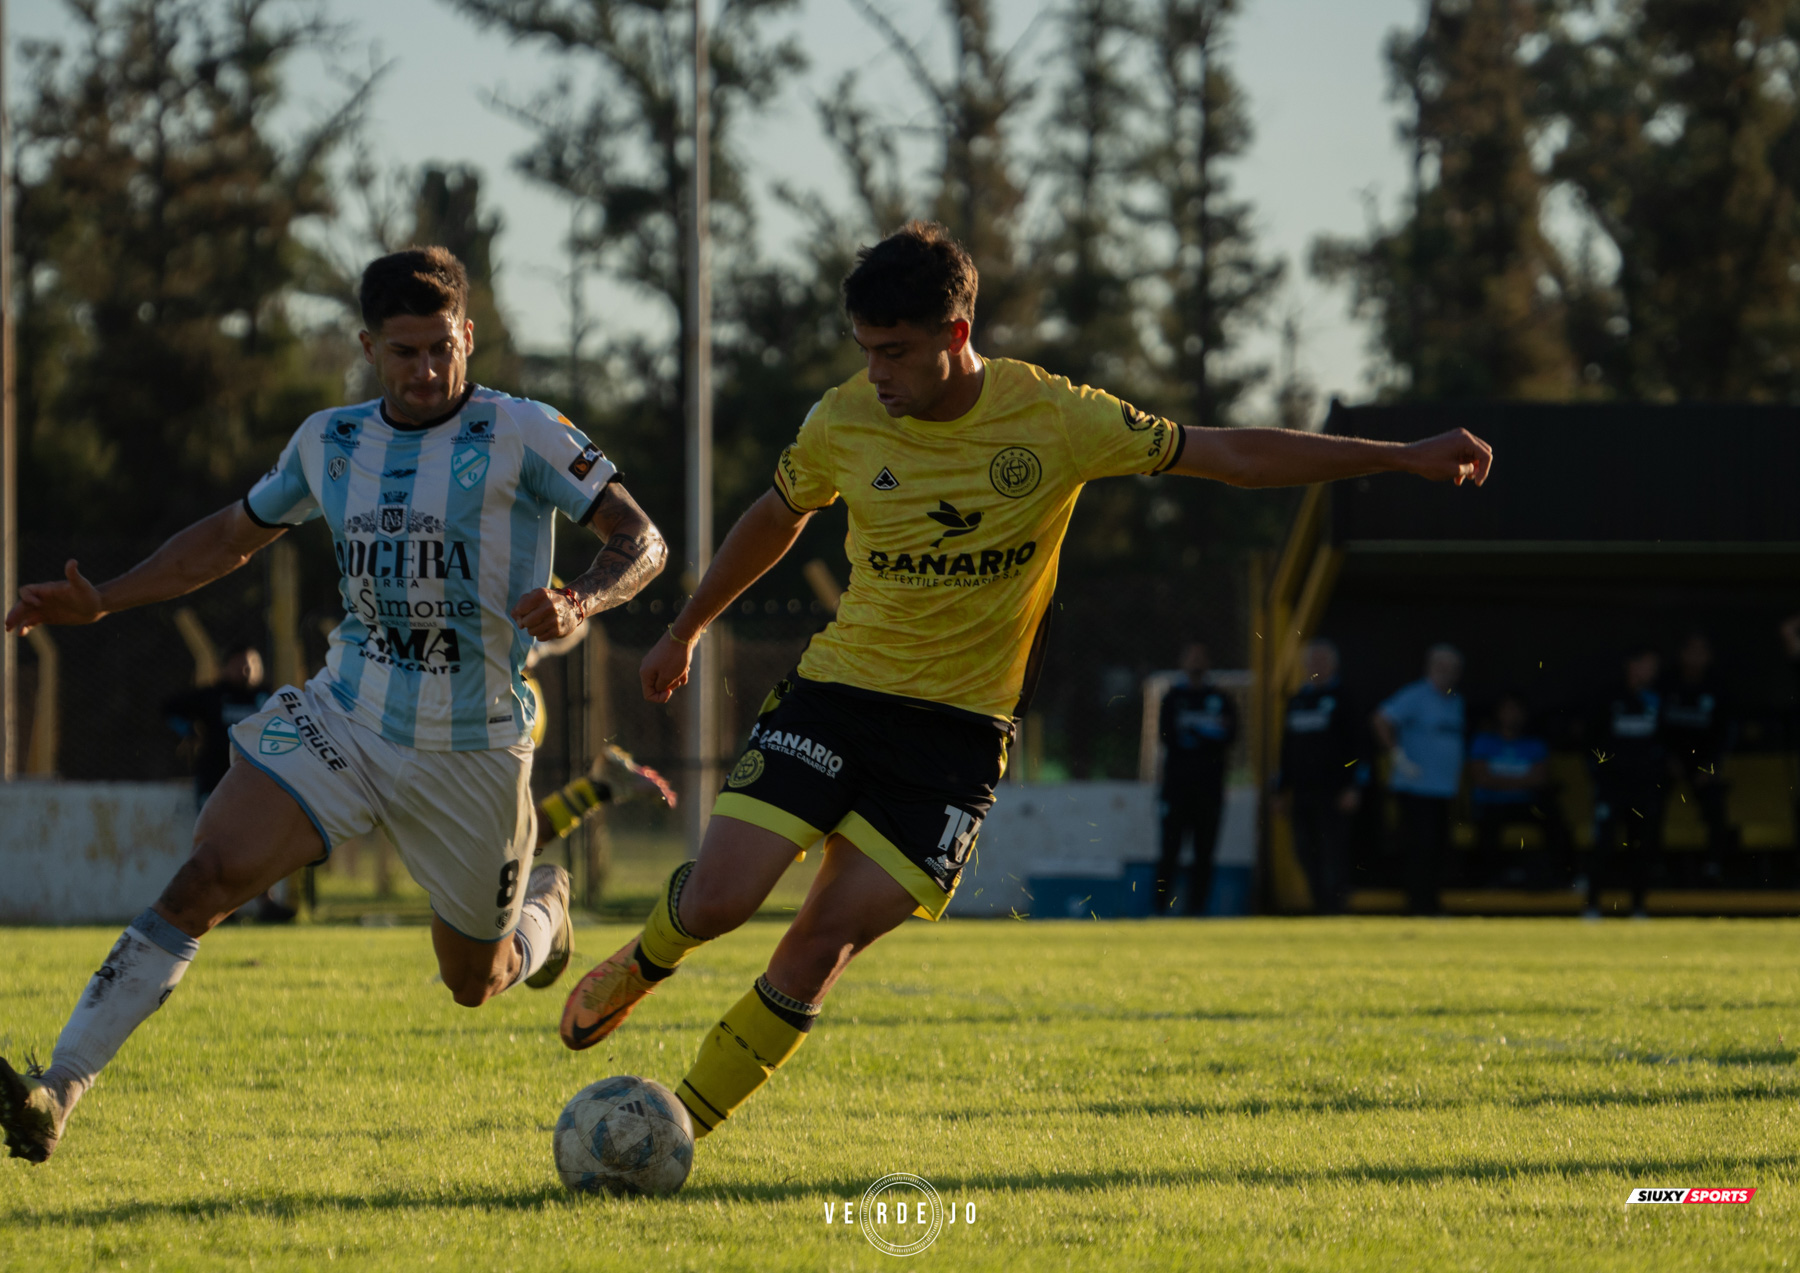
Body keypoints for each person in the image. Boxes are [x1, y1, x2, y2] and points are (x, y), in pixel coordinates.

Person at [555, 221, 1493, 1146]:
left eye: (895, 352)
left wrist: (1398, 456)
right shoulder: (842, 418)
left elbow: (1233, 455)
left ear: (957, 336)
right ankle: (647, 959)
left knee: (815, 948)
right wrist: (685, 627)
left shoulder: (1057, 418)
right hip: (835, 697)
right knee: (720, 901)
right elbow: (779, 512)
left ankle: (667, 1136)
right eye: (864, 351)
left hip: (957, 739)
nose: (877, 374)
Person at [0, 247, 668, 1164]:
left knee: (475, 981)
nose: (427, 370)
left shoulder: (527, 431)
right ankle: (59, 1087)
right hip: (345, 714)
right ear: (367, 347)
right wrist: (106, 596)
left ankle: (544, 909)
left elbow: (643, 537)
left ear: (469, 335)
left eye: (443, 347)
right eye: (404, 352)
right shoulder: (330, 441)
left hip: (471, 746)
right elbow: (230, 539)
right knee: (205, 877)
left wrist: (581, 599)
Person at [163, 645, 301, 922]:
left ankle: (265, 903)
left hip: (257, 783)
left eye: (253, 663)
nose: (247, 669)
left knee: (259, 845)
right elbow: (168, 708)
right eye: (240, 663)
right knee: (215, 844)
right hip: (215, 780)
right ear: (226, 667)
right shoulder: (212, 696)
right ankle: (211, 907)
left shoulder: (268, 698)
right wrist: (187, 731)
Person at [1372, 645, 1466, 916]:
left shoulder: (1455, 701)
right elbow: (1380, 719)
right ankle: (1419, 906)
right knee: (1419, 849)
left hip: (1443, 789)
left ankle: (1432, 903)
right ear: (1430, 668)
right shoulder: (1415, 695)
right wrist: (1396, 755)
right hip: (1415, 788)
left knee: (1439, 849)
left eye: (1453, 670)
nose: (1448, 675)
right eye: (1442, 668)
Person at [1274, 638, 1363, 914]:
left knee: (1332, 853)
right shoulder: (1298, 700)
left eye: (1322, 661)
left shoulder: (1345, 699)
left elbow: (1358, 747)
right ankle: (1319, 906)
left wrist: (1353, 785)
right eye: (1312, 661)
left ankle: (1335, 908)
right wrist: (1279, 789)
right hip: (1302, 791)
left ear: (1334, 665)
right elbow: (1287, 749)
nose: (1316, 667)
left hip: (1334, 792)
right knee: (1305, 851)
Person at [1153, 642, 1237, 916]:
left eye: (1200, 657)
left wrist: (1195, 735)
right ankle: (1160, 908)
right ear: (1182, 662)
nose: (1195, 662)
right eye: (1191, 657)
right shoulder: (1172, 698)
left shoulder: (1222, 699)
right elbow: (1167, 737)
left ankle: (1197, 909)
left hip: (1209, 789)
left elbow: (1230, 736)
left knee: (1205, 853)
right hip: (1176, 789)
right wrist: (1206, 734)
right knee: (1169, 851)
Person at [1583, 647, 1665, 919]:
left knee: (1641, 845)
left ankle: (1639, 907)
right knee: (1604, 844)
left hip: (1643, 787)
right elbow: (1590, 740)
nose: (1652, 672)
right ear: (1632, 665)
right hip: (1611, 786)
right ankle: (1592, 906)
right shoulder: (1608, 696)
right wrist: (1601, 773)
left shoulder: (1657, 698)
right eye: (1647, 665)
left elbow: (1665, 740)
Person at [1468, 691, 1571, 887]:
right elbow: (1481, 778)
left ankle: (1562, 879)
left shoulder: (1535, 744)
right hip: (1491, 804)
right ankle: (1487, 884)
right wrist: (1521, 780)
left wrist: (1499, 781)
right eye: (1507, 709)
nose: (1512, 714)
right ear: (1498, 713)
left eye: (1516, 710)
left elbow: (1540, 779)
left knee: (1555, 821)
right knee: (1486, 829)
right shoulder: (1483, 741)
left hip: (1525, 804)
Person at [1659, 633, 1734, 876]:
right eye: (1691, 651)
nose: (1696, 657)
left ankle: (1714, 866)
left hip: (1703, 763)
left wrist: (1710, 767)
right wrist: (1667, 758)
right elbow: (1655, 728)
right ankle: (1653, 863)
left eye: (1702, 652)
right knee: (1648, 800)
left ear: (1709, 657)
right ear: (1681, 654)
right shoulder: (1666, 684)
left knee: (1715, 803)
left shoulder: (1718, 687)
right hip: (1668, 761)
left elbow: (1725, 734)